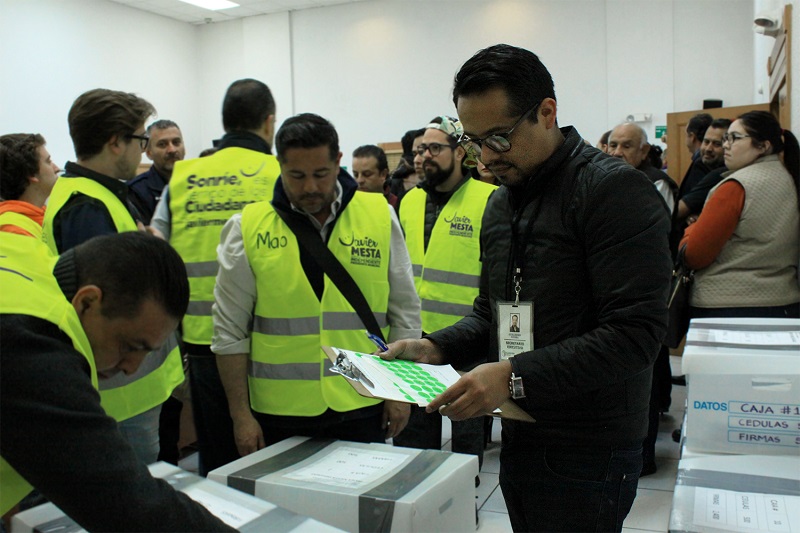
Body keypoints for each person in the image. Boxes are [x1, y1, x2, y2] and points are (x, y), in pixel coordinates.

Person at [381, 44, 671, 532]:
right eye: (474, 141)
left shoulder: (612, 192)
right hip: (520, 427)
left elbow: (634, 335)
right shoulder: (502, 203)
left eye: (500, 137)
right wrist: (435, 347)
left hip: (589, 444)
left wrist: (512, 375)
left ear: (547, 112)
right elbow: (492, 314)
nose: (487, 156)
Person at [213, 113, 421, 455]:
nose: (310, 187)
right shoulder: (247, 226)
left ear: (338, 162)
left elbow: (405, 312)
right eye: (297, 175)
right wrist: (240, 416)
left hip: (362, 399)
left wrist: (399, 393)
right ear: (279, 165)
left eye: (321, 174)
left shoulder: (379, 215)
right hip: (280, 410)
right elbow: (228, 332)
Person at [0, 231, 232, 532]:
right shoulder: (30, 349)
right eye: (129, 346)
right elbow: (126, 501)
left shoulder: (22, 255)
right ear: (87, 302)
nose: (131, 368)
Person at [41, 88, 183, 465]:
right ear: (115, 142)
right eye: (141, 140)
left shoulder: (104, 194)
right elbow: (105, 310)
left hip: (136, 392)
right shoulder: (85, 206)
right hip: (121, 400)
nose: (143, 151)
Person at [151, 78, 281, 475]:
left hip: (202, 342)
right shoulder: (281, 173)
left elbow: (157, 253)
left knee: (220, 456)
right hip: (273, 340)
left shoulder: (182, 178)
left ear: (225, 122)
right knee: (274, 458)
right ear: (269, 123)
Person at [394, 115, 496, 471]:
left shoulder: (490, 199)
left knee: (466, 434)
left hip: (467, 337)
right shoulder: (408, 201)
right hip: (415, 336)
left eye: (435, 148)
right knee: (414, 437)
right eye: (420, 149)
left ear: (460, 152)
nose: (424, 156)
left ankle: (463, 494)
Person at [681, 111, 800, 319]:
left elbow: (694, 255)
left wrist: (692, 229)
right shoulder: (789, 178)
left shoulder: (735, 186)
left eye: (734, 138)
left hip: (727, 303)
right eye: (726, 138)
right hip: (784, 302)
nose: (726, 145)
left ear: (763, 146)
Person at [0, 133, 60, 238]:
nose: (57, 168)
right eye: (48, 161)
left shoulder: (43, 218)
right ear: (31, 174)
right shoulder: (13, 230)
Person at [609, 122, 678, 213]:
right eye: (613, 146)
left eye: (626, 146)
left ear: (644, 151)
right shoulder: (604, 178)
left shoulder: (656, 182)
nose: (617, 152)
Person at [127, 120, 186, 224]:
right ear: (149, 153)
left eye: (176, 142)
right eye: (162, 144)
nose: (172, 150)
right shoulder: (136, 191)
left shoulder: (198, 182)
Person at [352, 144, 397, 208]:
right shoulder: (347, 204)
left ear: (383, 174)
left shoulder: (397, 205)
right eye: (356, 175)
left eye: (367, 174)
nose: (359, 180)